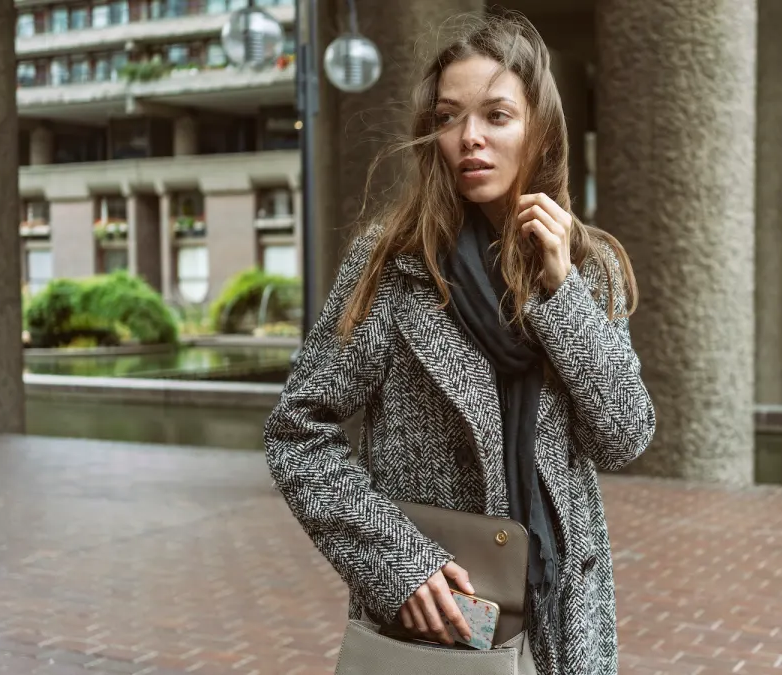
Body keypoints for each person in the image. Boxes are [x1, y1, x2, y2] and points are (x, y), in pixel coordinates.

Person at [263, 12, 655, 675]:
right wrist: (398, 566)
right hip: (445, 618)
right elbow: (298, 430)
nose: (469, 137)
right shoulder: (394, 265)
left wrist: (560, 292)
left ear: (539, 128)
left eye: (496, 115)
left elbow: (625, 436)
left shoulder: (589, 268)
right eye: (450, 117)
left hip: (564, 618)